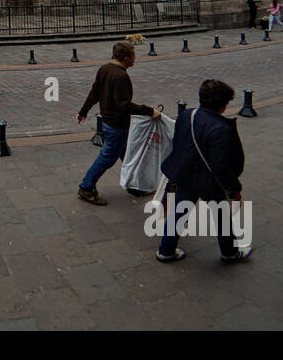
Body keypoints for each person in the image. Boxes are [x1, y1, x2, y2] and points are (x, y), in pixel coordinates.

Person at [154, 78, 251, 262]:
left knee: (179, 212)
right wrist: (234, 189)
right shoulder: (220, 128)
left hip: (184, 174)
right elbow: (220, 165)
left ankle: (166, 250)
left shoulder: (187, 115)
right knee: (221, 214)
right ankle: (229, 252)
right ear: (222, 105)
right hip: (208, 181)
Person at [75, 41, 159, 205]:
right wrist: (150, 111)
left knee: (129, 155)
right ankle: (86, 187)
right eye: (134, 56)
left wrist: (83, 111)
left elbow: (94, 93)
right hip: (117, 125)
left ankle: (135, 184)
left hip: (109, 121)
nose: (136, 59)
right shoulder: (121, 76)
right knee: (107, 157)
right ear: (127, 58)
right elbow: (124, 105)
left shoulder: (104, 68)